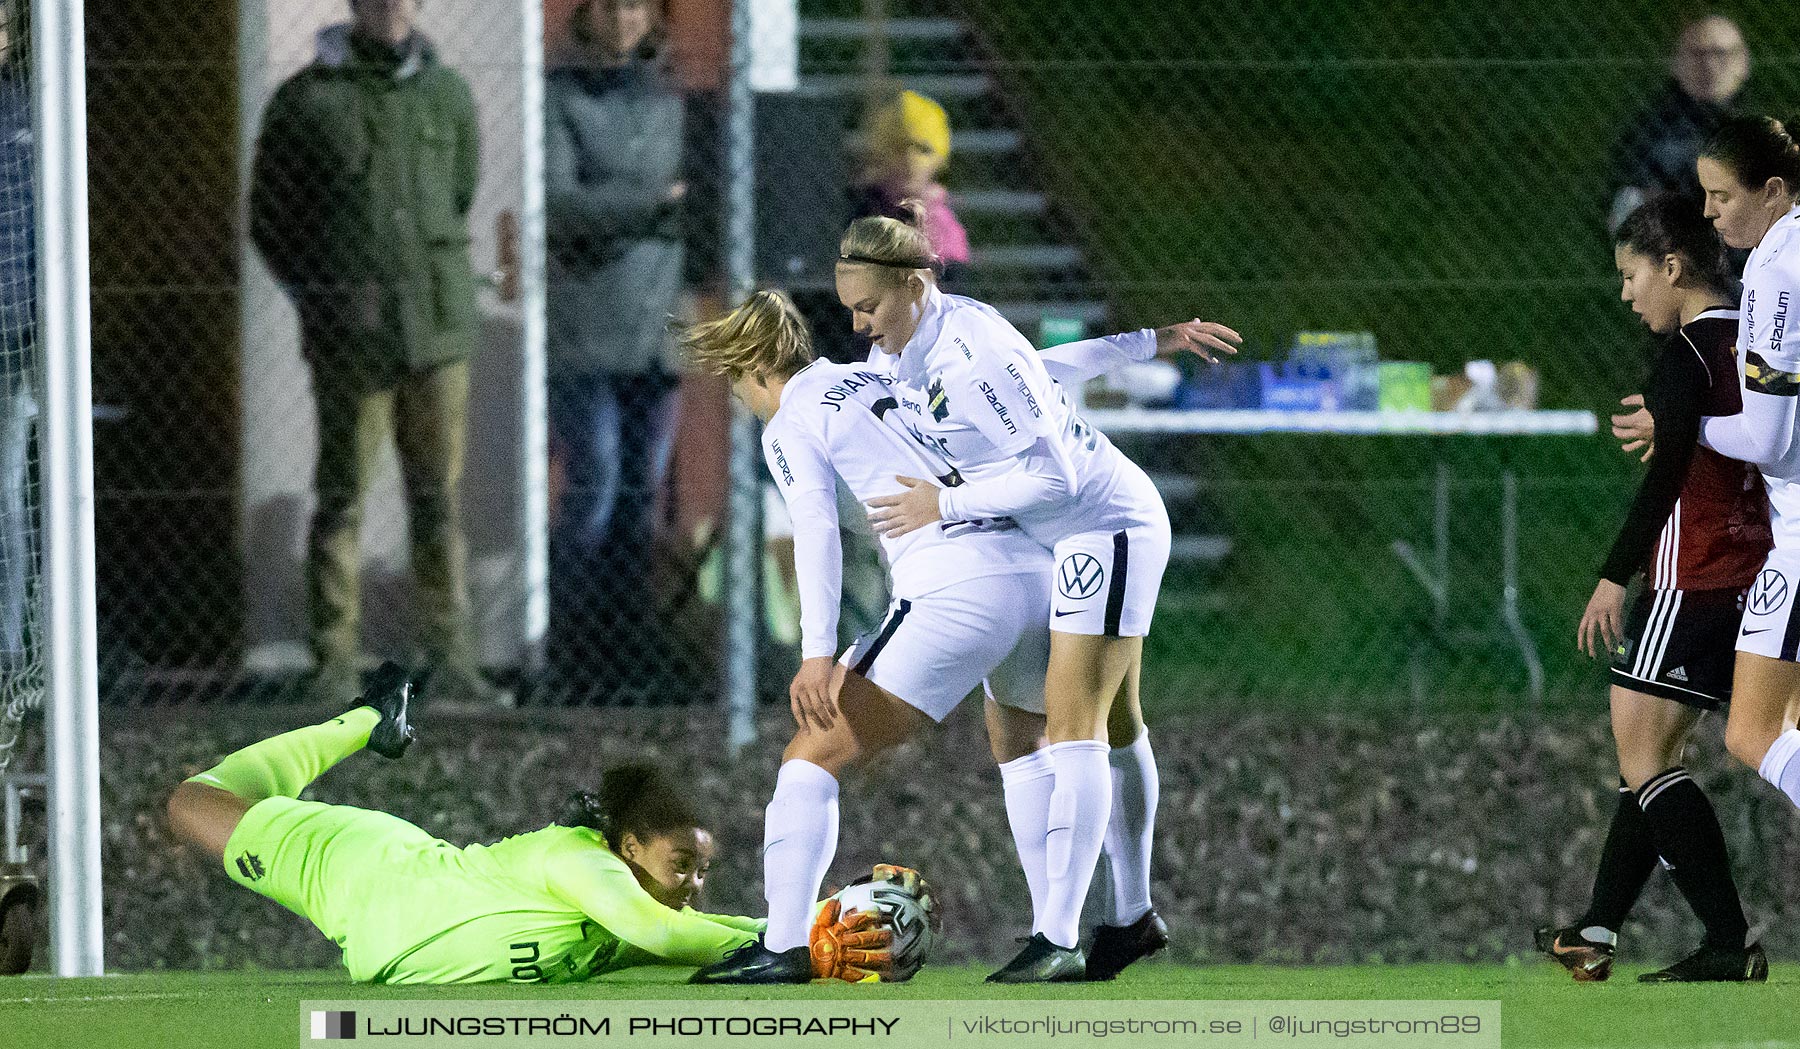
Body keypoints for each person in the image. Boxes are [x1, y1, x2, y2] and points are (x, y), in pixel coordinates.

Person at [678, 291, 1236, 985]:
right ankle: (1051, 938)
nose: (742, 402)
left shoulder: (792, 419)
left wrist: (816, 652)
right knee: (1023, 742)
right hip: (1035, 569)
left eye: (736, 385)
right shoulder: (883, 375)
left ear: (755, 368)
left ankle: (786, 942)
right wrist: (1147, 341)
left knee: (810, 754)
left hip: (957, 585)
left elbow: (816, 530)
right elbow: (1034, 369)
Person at [840, 210, 1237, 981]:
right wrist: (1149, 341)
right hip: (1054, 535)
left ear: (914, 286)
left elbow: (1053, 473)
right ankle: (1131, 916)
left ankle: (1056, 936)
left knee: (1071, 720)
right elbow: (1043, 367)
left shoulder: (971, 350)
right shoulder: (926, 346)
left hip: (1108, 525)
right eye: (850, 309)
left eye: (870, 308)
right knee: (1074, 725)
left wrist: (942, 504)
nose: (860, 325)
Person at [164, 663, 894, 984]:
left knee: (235, 796)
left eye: (700, 871)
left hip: (375, 922)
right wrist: (808, 944)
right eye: (681, 865)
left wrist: (818, 929)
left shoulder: (624, 909)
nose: (693, 886)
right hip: (370, 874)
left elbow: (723, 937)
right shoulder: (586, 866)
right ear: (629, 846)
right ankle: (366, 720)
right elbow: (671, 935)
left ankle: (367, 720)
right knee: (197, 799)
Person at [1536, 194, 1769, 984]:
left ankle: (1727, 940)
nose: (1628, 293)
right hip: (1753, 570)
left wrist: (1611, 575)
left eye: (1633, 275)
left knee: (1644, 760)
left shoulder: (1684, 355)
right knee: (1653, 759)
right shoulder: (1755, 338)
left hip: (1691, 574)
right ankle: (1595, 928)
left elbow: (1669, 474)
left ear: (1673, 268)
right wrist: (1674, 427)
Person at [248, 0, 507, 708]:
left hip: (437, 331)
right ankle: (333, 664)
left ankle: (450, 660)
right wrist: (327, 294)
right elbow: (270, 217)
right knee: (342, 497)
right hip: (351, 341)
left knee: (437, 500)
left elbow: (458, 190)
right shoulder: (306, 101)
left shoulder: (445, 93)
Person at [544, 0, 689, 693]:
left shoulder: (673, 101)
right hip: (587, 325)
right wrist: (654, 204)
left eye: (633, 5)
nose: (620, 18)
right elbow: (559, 203)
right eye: (605, 5)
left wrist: (638, 205)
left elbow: (705, 196)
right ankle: (572, 647)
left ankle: (630, 650)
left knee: (642, 491)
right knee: (594, 485)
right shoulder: (560, 98)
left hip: (665, 328)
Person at [1608, 15, 1751, 234]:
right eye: (1697, 54)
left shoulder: (1765, 126)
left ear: (1743, 63)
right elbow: (1634, 199)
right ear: (1677, 63)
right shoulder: (1651, 129)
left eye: (1720, 54)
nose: (1709, 64)